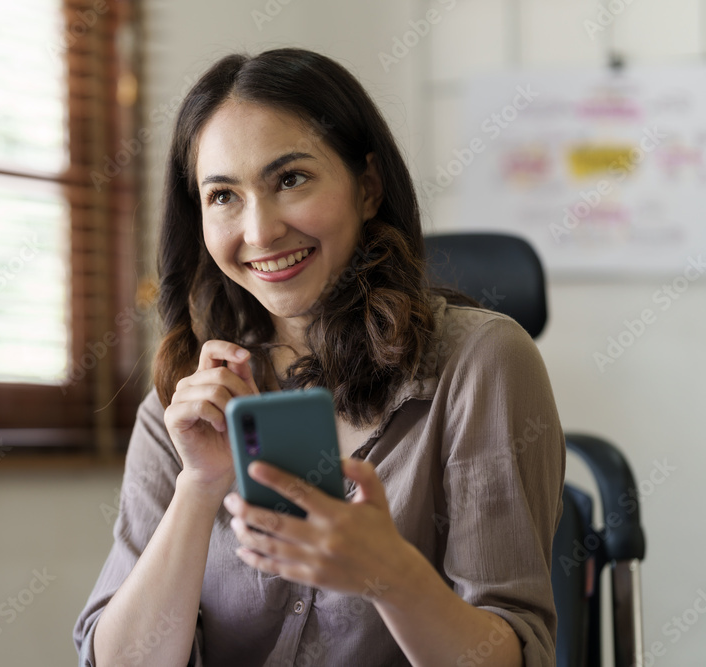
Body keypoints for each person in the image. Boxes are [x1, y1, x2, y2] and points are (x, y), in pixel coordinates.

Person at [74, 47, 565, 666]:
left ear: (367, 188)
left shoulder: (481, 364)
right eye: (223, 195)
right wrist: (199, 488)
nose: (260, 231)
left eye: (291, 179)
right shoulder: (185, 395)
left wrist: (387, 574)